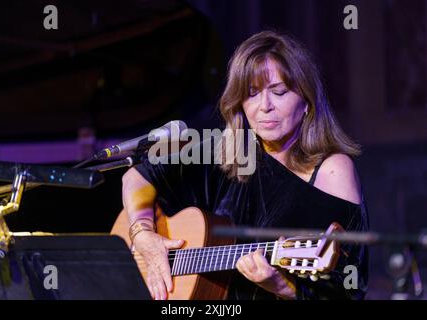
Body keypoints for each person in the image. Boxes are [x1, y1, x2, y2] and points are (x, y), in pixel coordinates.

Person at [111, 30, 368, 300]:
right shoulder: (222, 153)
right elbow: (136, 176)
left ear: (306, 102)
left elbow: (348, 290)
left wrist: (283, 287)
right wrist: (143, 235)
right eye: (252, 93)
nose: (264, 106)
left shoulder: (333, 170)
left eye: (279, 92)